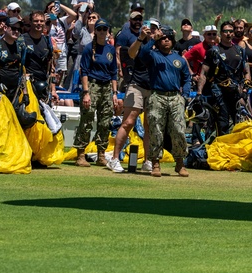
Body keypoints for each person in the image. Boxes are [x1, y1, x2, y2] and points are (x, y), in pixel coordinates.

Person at [130, 26, 190, 177]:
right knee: (156, 129)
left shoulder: (178, 59)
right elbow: (141, 54)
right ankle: (155, 162)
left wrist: (186, 95)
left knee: (178, 129)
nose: (166, 40)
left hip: (176, 96)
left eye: (169, 38)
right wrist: (153, 40)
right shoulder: (153, 55)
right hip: (157, 95)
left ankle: (180, 163)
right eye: (164, 38)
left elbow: (186, 78)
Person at [108, 11, 152, 173]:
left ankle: (148, 161)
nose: (138, 22)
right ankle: (114, 158)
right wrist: (141, 38)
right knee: (128, 122)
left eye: (141, 20)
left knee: (149, 125)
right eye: (136, 20)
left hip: (152, 87)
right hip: (137, 85)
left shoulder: (157, 42)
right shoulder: (134, 39)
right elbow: (131, 54)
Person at [74, 19, 121, 168]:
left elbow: (114, 72)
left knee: (105, 121)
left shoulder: (110, 49)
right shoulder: (89, 48)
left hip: (107, 87)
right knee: (87, 119)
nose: (102, 32)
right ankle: (80, 154)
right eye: (99, 29)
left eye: (104, 29)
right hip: (92, 86)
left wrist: (115, 93)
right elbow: (84, 71)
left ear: (107, 31)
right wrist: (86, 92)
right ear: (96, 31)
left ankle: (101, 153)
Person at [197, 20, 251, 136]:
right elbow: (203, 73)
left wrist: (245, 89)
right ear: (221, 34)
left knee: (240, 125)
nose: (228, 34)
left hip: (236, 92)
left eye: (231, 31)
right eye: (225, 31)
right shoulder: (213, 51)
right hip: (219, 93)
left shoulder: (240, 51)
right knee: (222, 124)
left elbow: (246, 71)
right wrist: (199, 92)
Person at [20, 11, 57, 105]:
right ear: (31, 23)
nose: (39, 23)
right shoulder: (21, 39)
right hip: (26, 85)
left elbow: (51, 68)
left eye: (41, 21)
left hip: (43, 85)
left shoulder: (47, 41)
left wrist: (53, 90)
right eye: (36, 21)